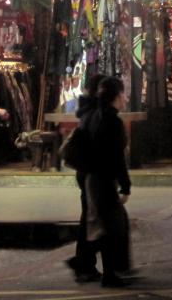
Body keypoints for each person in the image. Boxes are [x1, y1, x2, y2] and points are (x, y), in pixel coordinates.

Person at [79, 77, 132, 288]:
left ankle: (93, 267)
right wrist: (125, 185)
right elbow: (117, 157)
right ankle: (108, 273)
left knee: (103, 224)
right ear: (117, 96)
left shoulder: (93, 116)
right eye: (124, 93)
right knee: (111, 226)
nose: (126, 97)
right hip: (103, 179)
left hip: (91, 178)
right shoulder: (112, 121)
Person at [66, 73, 106, 284]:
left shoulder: (87, 110)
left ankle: (84, 262)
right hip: (93, 173)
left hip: (87, 172)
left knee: (90, 219)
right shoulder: (95, 114)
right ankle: (83, 263)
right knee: (96, 220)